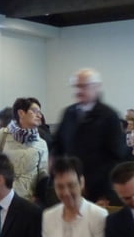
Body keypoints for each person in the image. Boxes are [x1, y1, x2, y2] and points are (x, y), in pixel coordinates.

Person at [53, 68, 126, 203]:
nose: (78, 91)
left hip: (98, 190)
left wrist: (106, 193)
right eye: (76, 86)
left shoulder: (109, 116)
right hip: (70, 188)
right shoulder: (69, 113)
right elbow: (58, 147)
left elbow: (117, 157)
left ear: (96, 87)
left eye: (83, 86)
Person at [41, 156, 107, 237]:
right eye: (60, 187)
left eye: (71, 185)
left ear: (82, 182)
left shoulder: (98, 215)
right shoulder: (48, 216)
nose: (66, 192)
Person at [0, 97, 50, 199]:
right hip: (3, 195)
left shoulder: (41, 143)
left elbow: (43, 174)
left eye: (40, 112)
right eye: (35, 111)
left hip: (27, 198)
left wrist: (39, 198)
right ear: (21, 113)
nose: (39, 115)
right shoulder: (3, 134)